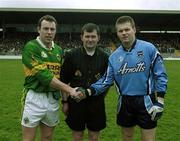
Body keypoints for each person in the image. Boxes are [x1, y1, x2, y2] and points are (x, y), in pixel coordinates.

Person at [75, 16, 168, 141]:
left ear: (134, 29)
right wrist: (87, 91)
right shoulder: (114, 56)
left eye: (127, 29)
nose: (124, 33)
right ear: (117, 33)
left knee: (148, 139)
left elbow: (160, 74)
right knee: (127, 137)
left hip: (146, 100)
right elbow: (106, 81)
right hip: (125, 102)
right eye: (120, 31)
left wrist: (160, 100)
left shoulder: (149, 48)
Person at [21, 15, 79, 141]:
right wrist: (70, 90)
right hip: (34, 98)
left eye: (52, 29)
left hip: (53, 99)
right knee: (28, 139)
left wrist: (65, 101)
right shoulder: (31, 47)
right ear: (38, 29)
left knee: (47, 138)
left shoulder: (58, 50)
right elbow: (45, 77)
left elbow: (61, 78)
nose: (49, 32)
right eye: (46, 28)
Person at [60, 23, 109, 141]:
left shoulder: (105, 57)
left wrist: (100, 96)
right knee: (77, 136)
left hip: (96, 103)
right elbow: (64, 81)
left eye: (93, 36)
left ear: (98, 38)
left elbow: (107, 82)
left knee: (94, 137)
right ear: (82, 37)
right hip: (76, 103)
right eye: (87, 36)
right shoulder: (71, 55)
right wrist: (65, 102)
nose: (90, 39)